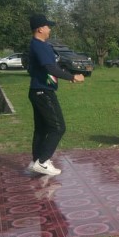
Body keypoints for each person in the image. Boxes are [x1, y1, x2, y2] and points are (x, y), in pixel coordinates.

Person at [26, 14, 84, 176]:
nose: (49, 29)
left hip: (37, 91)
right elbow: (50, 68)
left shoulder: (37, 45)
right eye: (47, 26)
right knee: (58, 127)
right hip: (43, 92)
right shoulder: (40, 46)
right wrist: (72, 77)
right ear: (40, 29)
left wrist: (63, 75)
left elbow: (40, 69)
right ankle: (43, 161)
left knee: (42, 128)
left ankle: (36, 161)